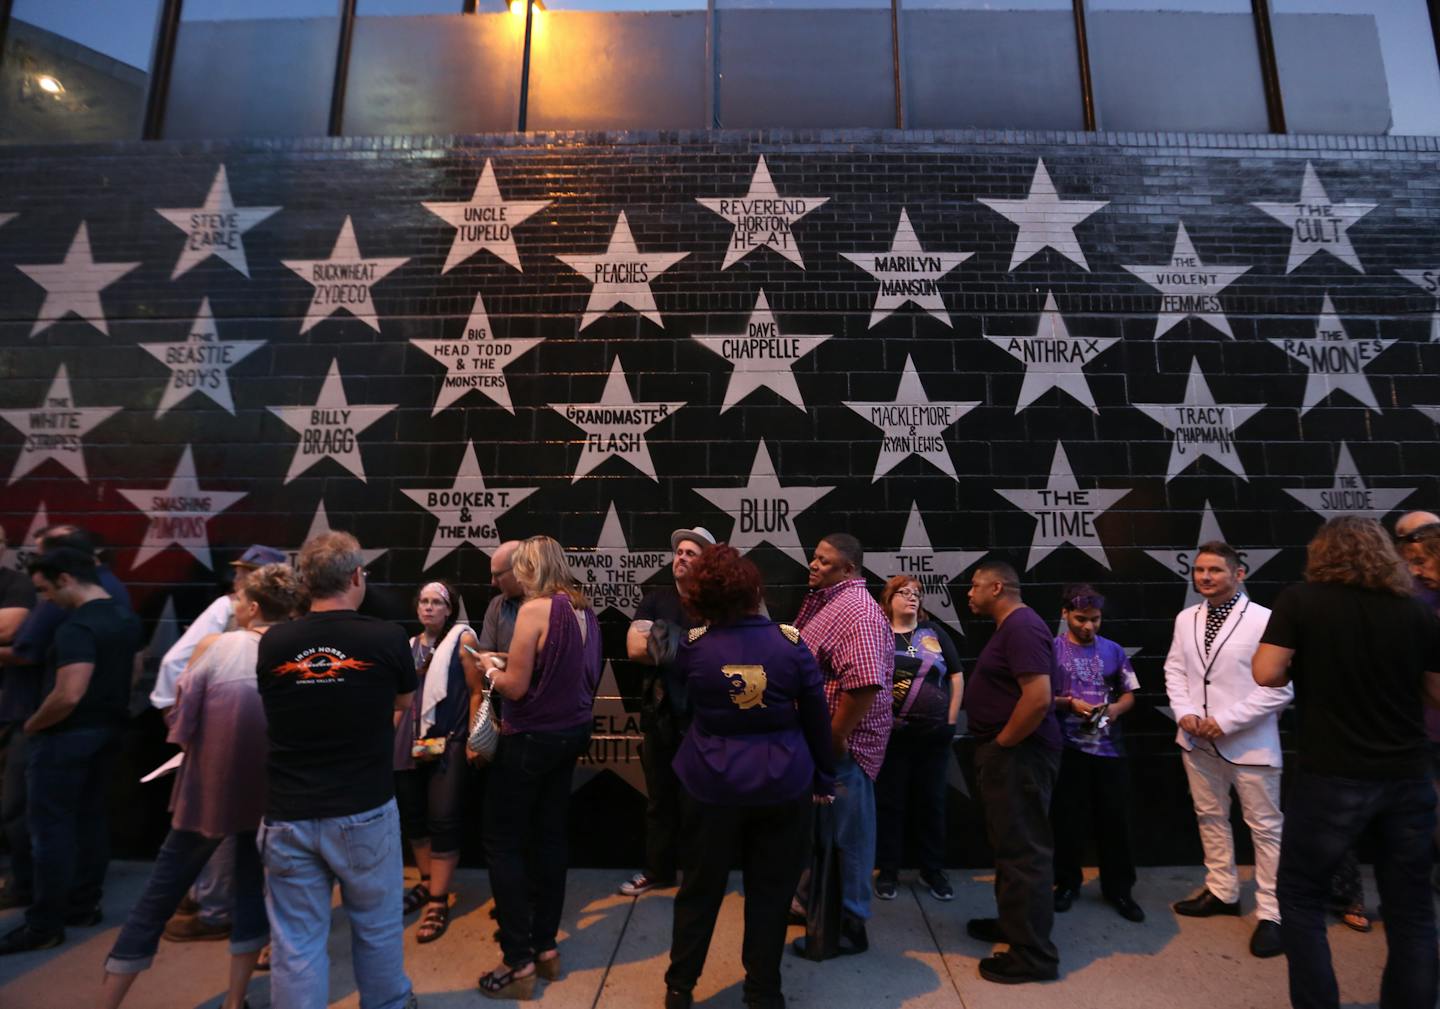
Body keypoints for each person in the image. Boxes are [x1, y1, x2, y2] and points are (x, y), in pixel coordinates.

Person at [1253, 516, 1440, 1009]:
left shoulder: (1301, 600)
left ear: (1322, 554)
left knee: (1299, 896)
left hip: (1331, 774)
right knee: (1413, 909)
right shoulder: (1416, 612)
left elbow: (1267, 672)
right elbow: (1438, 695)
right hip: (1406, 775)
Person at [98, 564, 304, 1009]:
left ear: (250, 607)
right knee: (251, 894)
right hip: (264, 795)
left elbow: (181, 723)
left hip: (205, 791)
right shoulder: (298, 658)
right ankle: (234, 1001)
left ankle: (107, 1002)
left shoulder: (215, 646)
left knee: (157, 896)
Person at [662, 545, 835, 1009]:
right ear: (753, 589)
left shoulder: (693, 647)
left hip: (710, 784)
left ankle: (680, 988)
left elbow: (685, 702)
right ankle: (763, 991)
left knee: (699, 889)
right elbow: (817, 718)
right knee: (771, 893)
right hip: (782, 783)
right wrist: (824, 778)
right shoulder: (790, 643)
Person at [255, 531, 417, 1009]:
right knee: (377, 927)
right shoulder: (387, 637)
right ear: (355, 576)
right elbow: (403, 703)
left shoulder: (275, 642)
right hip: (363, 808)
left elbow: (276, 705)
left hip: (288, 814)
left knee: (295, 942)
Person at [0, 545, 141, 954]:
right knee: (91, 819)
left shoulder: (75, 628)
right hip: (107, 733)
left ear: (65, 580)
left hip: (65, 739)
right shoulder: (124, 617)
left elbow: (68, 694)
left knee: (50, 831)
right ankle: (82, 906)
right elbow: (132, 672)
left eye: (45, 591)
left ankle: (44, 923)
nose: (45, 600)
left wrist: (32, 724)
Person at [479, 535, 602, 998]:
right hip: (571, 734)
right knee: (550, 837)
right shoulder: (583, 610)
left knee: (502, 843)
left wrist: (489, 667)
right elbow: (570, 672)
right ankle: (546, 947)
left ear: (531, 568)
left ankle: (518, 961)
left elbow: (513, 688)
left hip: (529, 738)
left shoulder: (534, 610)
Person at [152, 543, 286, 944]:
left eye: (249, 572)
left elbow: (175, 666)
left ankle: (212, 905)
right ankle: (212, 905)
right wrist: (183, 721)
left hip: (237, 734)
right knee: (223, 823)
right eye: (241, 571)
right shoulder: (227, 609)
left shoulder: (239, 612)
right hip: (232, 733)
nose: (239, 579)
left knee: (226, 822)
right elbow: (175, 665)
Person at [1163, 540, 1288, 959]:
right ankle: (1222, 890)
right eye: (1199, 570)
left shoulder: (1266, 620)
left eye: (1214, 570)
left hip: (1249, 743)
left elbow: (1279, 689)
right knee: (1210, 815)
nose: (1204, 577)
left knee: (1265, 828)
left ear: (1239, 573)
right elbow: (1175, 669)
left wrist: (1226, 721)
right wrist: (1184, 713)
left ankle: (1271, 912)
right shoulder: (1185, 618)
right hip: (1196, 741)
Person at [790, 533, 893, 958]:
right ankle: (811, 904)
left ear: (849, 569)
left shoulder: (858, 612)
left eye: (825, 561)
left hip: (844, 752)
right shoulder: (831, 603)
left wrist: (833, 738)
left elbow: (864, 684)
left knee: (849, 838)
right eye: (814, 558)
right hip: (823, 748)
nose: (814, 565)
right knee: (825, 833)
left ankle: (848, 925)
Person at [962, 560, 1062, 984]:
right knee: (1010, 847)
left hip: (1019, 756)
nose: (968, 593)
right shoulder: (1013, 628)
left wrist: (1002, 744)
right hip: (1012, 756)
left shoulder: (1021, 627)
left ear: (997, 587)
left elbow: (1038, 698)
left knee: (1024, 852)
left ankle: (1033, 955)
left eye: (974, 586)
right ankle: (1014, 925)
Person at [620, 524, 715, 897]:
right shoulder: (655, 599)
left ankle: (697, 876)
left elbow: (724, 655)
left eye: (691, 553)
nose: (682, 558)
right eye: (679, 552)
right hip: (660, 715)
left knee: (700, 801)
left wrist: (667, 643)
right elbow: (633, 649)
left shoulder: (715, 601)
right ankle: (658, 870)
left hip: (703, 716)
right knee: (659, 799)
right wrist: (696, 648)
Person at [1048, 584, 1143, 922]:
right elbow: (1039, 696)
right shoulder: (1052, 650)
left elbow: (1131, 693)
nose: (1088, 626)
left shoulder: (1114, 650)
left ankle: (1119, 889)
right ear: (1065, 614)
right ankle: (1067, 883)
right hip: (1068, 748)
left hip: (1109, 750)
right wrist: (1069, 704)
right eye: (1080, 619)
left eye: (1095, 620)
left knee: (1115, 821)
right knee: (1067, 821)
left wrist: (1115, 710)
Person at [394, 579, 482, 944]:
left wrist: (475, 737)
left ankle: (438, 900)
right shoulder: (407, 645)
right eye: (424, 602)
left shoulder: (462, 640)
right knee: (414, 818)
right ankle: (426, 883)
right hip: (409, 744)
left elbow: (478, 690)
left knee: (443, 817)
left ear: (449, 609)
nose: (429, 607)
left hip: (449, 742)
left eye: (437, 602)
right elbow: (397, 700)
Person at [872, 575, 962, 903]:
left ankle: (933, 870)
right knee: (890, 804)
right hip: (894, 740)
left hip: (933, 739)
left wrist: (951, 719)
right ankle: (889, 870)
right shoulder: (880, 635)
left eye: (917, 593)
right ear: (889, 598)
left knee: (932, 803)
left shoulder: (934, 634)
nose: (912, 598)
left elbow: (956, 674)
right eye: (904, 592)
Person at [0, 522, 35, 907]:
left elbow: (10, 629)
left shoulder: (16, 584)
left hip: (7, 711)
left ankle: (22, 883)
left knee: (12, 804)